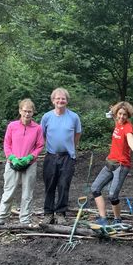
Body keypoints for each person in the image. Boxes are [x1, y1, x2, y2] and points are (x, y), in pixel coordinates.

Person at [0, 99, 45, 226]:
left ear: (33, 113)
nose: (27, 114)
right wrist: (11, 157)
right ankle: (1, 218)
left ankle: (24, 220)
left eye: (30, 111)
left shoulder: (37, 128)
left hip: (30, 164)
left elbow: (40, 146)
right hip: (12, 163)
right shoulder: (12, 126)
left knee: (27, 193)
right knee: (9, 191)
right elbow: (6, 143)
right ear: (20, 111)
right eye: (25, 111)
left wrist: (30, 157)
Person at [41, 88, 82, 225]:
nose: (60, 101)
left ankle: (60, 213)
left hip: (68, 157)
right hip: (51, 156)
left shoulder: (74, 117)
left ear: (67, 101)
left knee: (64, 185)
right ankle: (48, 213)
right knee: (50, 185)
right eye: (57, 98)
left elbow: (77, 135)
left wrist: (71, 149)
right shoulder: (46, 117)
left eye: (63, 98)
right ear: (53, 101)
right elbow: (43, 135)